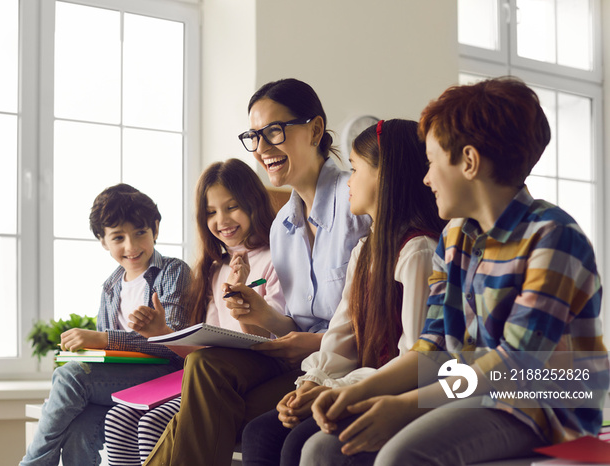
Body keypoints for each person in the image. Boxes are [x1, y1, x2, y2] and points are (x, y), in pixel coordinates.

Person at [299, 77, 609, 466]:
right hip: (476, 392)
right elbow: (434, 348)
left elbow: (515, 365)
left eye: (431, 162)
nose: (426, 178)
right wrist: (359, 391)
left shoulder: (554, 237)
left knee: (401, 455)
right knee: (323, 449)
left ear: (468, 161)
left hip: (548, 403)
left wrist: (408, 405)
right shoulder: (455, 238)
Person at [143, 78, 372, 466]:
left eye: (275, 132)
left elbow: (377, 324)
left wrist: (311, 344)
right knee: (203, 364)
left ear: (315, 130)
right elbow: (291, 325)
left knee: (207, 412)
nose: (262, 149)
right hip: (293, 360)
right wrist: (258, 313)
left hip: (343, 364)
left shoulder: (358, 199)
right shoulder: (284, 224)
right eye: (254, 136)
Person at [241, 119, 446, 466]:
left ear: (386, 176)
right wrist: (310, 385)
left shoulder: (419, 251)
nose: (349, 181)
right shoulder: (364, 250)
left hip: (393, 390)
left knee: (299, 444)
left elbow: (416, 358)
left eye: (355, 169)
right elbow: (342, 333)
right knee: (259, 433)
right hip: (355, 384)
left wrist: (336, 390)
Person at [102, 158, 287, 465]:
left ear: (254, 203)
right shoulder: (214, 269)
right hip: (210, 372)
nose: (222, 220)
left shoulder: (274, 258)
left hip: (259, 371)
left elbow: (275, 342)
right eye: (211, 212)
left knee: (152, 422)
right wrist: (161, 332)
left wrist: (244, 304)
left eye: (232, 207)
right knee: (119, 419)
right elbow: (203, 350)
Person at [20, 184, 191, 466]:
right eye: (118, 237)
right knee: (78, 431)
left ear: (155, 229)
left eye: (140, 233)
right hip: (123, 381)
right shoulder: (110, 287)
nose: (131, 246)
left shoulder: (172, 271)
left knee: (70, 376)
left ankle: (32, 463)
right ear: (103, 241)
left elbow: (175, 350)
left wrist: (105, 339)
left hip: (165, 377)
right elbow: (108, 359)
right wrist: (96, 345)